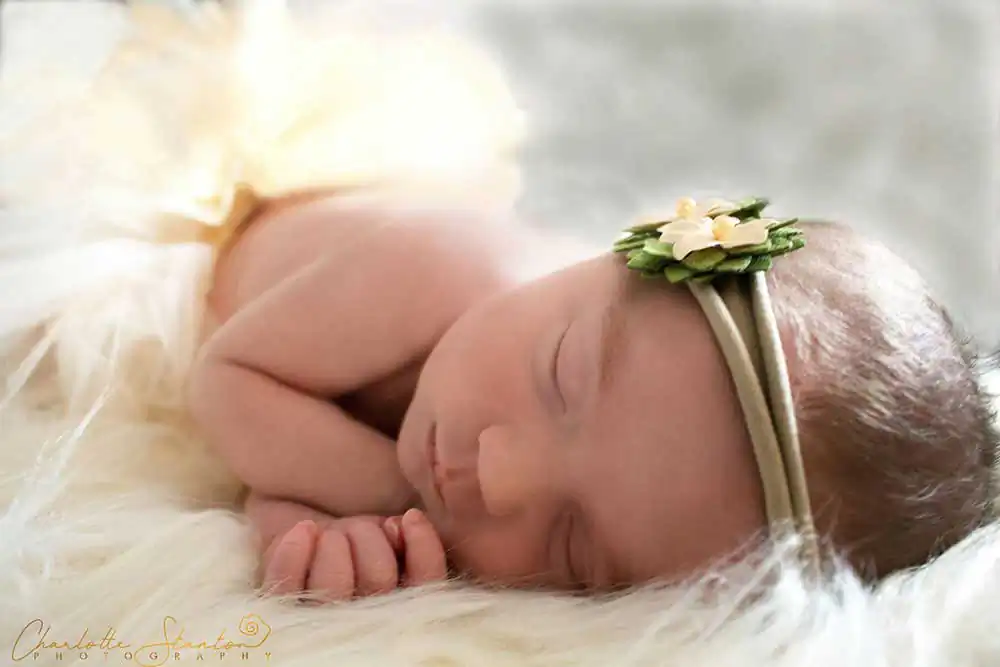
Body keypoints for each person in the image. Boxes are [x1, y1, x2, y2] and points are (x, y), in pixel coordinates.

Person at [2, 1, 996, 603]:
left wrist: (310, 531)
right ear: (616, 256)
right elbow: (234, 382)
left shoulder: (531, 397)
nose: (497, 473)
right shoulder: (448, 267)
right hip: (205, 222)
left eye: (574, 547)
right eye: (560, 374)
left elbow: (276, 474)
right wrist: (382, 496)